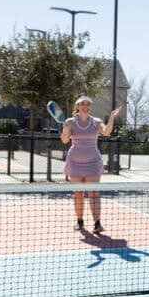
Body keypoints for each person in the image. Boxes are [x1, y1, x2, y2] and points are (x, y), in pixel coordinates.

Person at [61, 96, 121, 234]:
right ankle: (80, 221)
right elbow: (64, 140)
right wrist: (65, 129)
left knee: (94, 192)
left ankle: (97, 223)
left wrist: (111, 117)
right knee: (78, 194)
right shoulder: (69, 122)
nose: (85, 106)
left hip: (93, 163)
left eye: (88, 104)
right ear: (77, 107)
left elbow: (106, 132)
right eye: (82, 104)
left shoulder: (96, 122)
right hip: (75, 163)